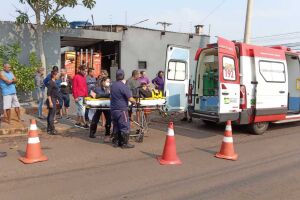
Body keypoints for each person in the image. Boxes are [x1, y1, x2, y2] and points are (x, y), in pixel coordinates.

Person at [111, 69, 136, 148]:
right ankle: (125, 143)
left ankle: (116, 141)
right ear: (123, 76)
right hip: (122, 110)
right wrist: (135, 102)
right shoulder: (123, 86)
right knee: (125, 126)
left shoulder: (113, 85)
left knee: (116, 126)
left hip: (113, 109)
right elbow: (130, 98)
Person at [89, 77, 111, 142]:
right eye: (107, 81)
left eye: (109, 82)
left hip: (107, 106)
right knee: (95, 118)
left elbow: (110, 95)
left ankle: (107, 134)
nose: (108, 83)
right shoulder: (97, 88)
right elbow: (92, 94)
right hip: (99, 106)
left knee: (109, 119)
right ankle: (92, 133)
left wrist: (100, 95)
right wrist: (103, 95)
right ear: (103, 81)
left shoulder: (109, 88)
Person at [72, 65, 88, 129]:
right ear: (80, 70)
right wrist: (75, 97)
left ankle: (78, 123)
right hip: (79, 96)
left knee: (79, 110)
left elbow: (85, 87)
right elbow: (74, 87)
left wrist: (86, 96)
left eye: (86, 71)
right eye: (84, 71)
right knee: (82, 110)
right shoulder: (76, 77)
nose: (85, 72)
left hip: (83, 96)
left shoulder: (84, 77)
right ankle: (84, 123)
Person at [46, 70, 60, 135]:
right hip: (51, 100)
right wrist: (50, 102)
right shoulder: (51, 82)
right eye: (57, 75)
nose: (58, 76)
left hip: (54, 99)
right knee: (52, 115)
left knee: (50, 114)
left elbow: (54, 92)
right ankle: (52, 130)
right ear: (54, 75)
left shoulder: (54, 82)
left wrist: (56, 99)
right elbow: (48, 93)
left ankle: (49, 128)